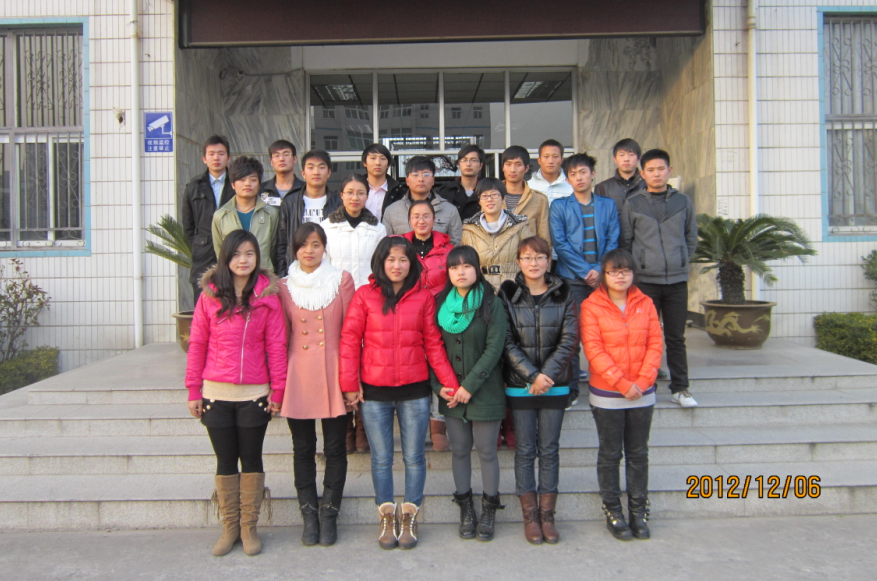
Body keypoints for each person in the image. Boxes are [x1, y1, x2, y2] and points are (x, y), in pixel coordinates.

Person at [340, 237, 460, 551]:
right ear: (381, 262)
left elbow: (433, 344)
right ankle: (385, 515)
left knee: (414, 457)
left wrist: (450, 383)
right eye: (391, 259)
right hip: (374, 392)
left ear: (412, 264)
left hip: (414, 391)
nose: (397, 266)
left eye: (403, 260)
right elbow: (350, 340)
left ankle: (409, 515)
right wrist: (349, 383)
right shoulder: (364, 296)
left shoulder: (423, 297)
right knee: (381, 458)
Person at [185, 230, 287, 557]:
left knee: (252, 459)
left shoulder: (268, 297)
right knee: (226, 459)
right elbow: (197, 344)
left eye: (249, 254)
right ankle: (230, 526)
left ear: (258, 257)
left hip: (255, 393)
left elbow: (276, 346)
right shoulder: (210, 296)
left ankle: (249, 527)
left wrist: (278, 389)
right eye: (237, 254)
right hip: (216, 393)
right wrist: (193, 389)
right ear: (225, 258)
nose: (243, 260)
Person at [278, 222, 356, 547]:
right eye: (303, 245)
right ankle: (309, 514)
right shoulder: (283, 286)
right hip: (298, 373)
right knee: (303, 448)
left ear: (325, 248)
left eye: (315, 244)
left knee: (336, 447)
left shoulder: (341, 280)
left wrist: (352, 379)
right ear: (294, 249)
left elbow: (351, 333)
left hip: (335, 371)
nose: (309, 251)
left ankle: (329, 513)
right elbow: (280, 337)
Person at [499, 236, 578, 545]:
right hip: (520, 386)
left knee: (549, 449)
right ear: (519, 261)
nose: (533, 263)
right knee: (524, 450)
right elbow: (506, 341)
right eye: (527, 257)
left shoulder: (564, 293)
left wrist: (546, 376)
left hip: (555, 385)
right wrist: (532, 375)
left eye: (539, 257)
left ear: (549, 260)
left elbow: (570, 339)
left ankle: (547, 515)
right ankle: (530, 516)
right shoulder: (508, 294)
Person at [581, 249, 662, 541]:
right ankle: (613, 510)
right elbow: (593, 349)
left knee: (638, 453)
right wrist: (622, 383)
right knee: (610, 453)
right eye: (614, 271)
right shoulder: (591, 306)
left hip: (642, 392)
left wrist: (642, 381)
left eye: (626, 271)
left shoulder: (646, 303)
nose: (620, 276)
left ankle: (638, 511)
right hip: (607, 393)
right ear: (604, 275)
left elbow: (655, 344)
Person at [432, 246, 508, 542]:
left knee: (486, 451)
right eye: (454, 267)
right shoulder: (440, 304)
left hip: (484, 392)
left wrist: (469, 386)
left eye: (466, 266)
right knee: (460, 450)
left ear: (477, 269)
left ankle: (489, 508)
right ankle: (465, 507)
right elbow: (432, 349)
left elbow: (494, 349)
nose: (460, 272)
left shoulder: (491, 303)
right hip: (451, 394)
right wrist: (438, 386)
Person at [620, 149, 699, 408]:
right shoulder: (633, 203)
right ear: (642, 174)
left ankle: (681, 388)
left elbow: (691, 237)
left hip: (676, 281)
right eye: (651, 170)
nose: (656, 174)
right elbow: (627, 241)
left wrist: (681, 260)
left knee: (676, 337)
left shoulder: (683, 202)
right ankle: (646, 384)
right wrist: (637, 268)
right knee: (644, 337)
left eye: (661, 169)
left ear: (669, 171)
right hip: (645, 281)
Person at [322, 174, 387, 453]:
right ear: (341, 195)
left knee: (366, 359)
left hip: (369, 302)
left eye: (360, 193)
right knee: (340, 360)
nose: (355, 197)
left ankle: (362, 426)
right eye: (349, 192)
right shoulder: (326, 227)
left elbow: (382, 266)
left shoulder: (378, 229)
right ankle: (344, 425)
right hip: (336, 300)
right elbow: (323, 265)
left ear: (367, 197)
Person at [549, 153, 619, 406]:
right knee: (572, 335)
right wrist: (585, 271)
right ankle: (572, 389)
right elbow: (560, 244)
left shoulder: (608, 205)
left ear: (592, 174)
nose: (579, 178)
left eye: (583, 172)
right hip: (571, 280)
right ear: (567, 179)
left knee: (607, 333)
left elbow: (613, 239)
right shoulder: (559, 206)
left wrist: (599, 269)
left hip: (603, 280)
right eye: (573, 174)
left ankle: (608, 381)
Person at [401, 199, 455, 452]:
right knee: (413, 364)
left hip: (440, 315)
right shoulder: (400, 248)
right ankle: (415, 423)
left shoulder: (447, 249)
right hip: (409, 315)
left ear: (434, 219)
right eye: (416, 216)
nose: (421, 221)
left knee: (438, 364)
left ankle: (438, 423)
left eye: (426, 216)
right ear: (409, 220)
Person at [182, 135, 235, 304]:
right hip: (203, 254)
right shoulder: (193, 187)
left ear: (229, 158)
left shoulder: (238, 184)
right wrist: (199, 244)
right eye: (211, 154)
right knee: (203, 301)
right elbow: (188, 226)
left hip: (233, 248)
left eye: (221, 153)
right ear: (204, 159)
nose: (216, 158)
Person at [273, 149, 342, 275]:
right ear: (303, 173)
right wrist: (283, 275)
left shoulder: (339, 203)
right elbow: (282, 243)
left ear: (329, 173)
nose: (316, 172)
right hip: (296, 270)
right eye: (311, 167)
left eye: (321, 167)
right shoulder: (290, 202)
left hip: (329, 270)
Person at [461, 177, 532, 292]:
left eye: (494, 195)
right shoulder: (468, 229)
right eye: (484, 196)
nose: (489, 199)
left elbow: (530, 259)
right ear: (479, 201)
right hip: (480, 289)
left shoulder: (520, 226)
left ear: (503, 198)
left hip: (514, 288)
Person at [212, 156, 280, 273]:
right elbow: (220, 251)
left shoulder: (271, 214)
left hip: (263, 277)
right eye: (242, 180)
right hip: (232, 277)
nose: (247, 184)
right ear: (233, 184)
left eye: (253, 180)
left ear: (259, 184)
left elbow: (273, 249)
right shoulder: (221, 215)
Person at [381, 155, 463, 246]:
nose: (421, 179)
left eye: (426, 175)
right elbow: (386, 246)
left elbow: (456, 245)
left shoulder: (450, 210)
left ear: (433, 180)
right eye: (415, 175)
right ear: (407, 180)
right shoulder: (391, 211)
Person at [501, 146, 551, 252]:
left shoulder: (539, 200)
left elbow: (545, 239)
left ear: (526, 168)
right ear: (503, 167)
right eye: (508, 164)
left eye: (518, 164)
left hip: (528, 258)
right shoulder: (490, 196)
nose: (513, 169)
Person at [595, 138, 646, 216]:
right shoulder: (602, 188)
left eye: (631, 155)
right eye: (621, 155)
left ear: (638, 158)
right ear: (615, 159)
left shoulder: (648, 185)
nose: (626, 159)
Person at [439, 144, 485, 221]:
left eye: (473, 160)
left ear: (481, 165)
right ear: (459, 164)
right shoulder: (445, 191)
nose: (468, 164)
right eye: (464, 160)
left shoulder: (487, 191)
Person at [361, 143, 402, 222]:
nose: (378, 163)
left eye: (383, 159)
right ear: (365, 163)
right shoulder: (355, 189)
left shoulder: (398, 191)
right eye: (373, 158)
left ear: (388, 164)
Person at [260, 139, 304, 207]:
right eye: (277, 155)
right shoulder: (261, 189)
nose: (281, 159)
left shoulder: (306, 189)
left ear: (295, 159)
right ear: (271, 161)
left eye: (286, 154)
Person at [528, 139, 573, 204]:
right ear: (539, 160)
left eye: (555, 156)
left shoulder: (571, 186)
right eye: (546, 157)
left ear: (562, 160)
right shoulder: (528, 187)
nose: (550, 161)